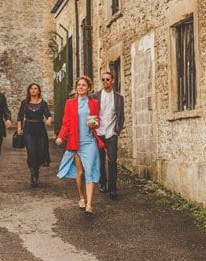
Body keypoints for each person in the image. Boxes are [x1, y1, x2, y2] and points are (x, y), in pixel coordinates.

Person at [55, 76, 104, 216]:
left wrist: (94, 123)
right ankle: (81, 197)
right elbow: (66, 122)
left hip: (90, 142)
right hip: (76, 142)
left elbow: (97, 121)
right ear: (76, 88)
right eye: (79, 85)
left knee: (90, 171)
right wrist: (60, 136)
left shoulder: (94, 103)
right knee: (80, 172)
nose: (81, 87)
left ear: (88, 88)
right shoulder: (70, 103)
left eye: (84, 85)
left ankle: (89, 204)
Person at [92, 72, 125, 200]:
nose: (105, 81)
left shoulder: (118, 98)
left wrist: (118, 130)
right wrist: (92, 128)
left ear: (112, 81)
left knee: (112, 161)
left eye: (107, 79)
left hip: (111, 133)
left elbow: (121, 116)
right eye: (103, 79)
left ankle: (112, 189)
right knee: (100, 161)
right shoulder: (95, 96)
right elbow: (90, 112)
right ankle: (103, 183)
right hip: (99, 133)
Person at [16, 83, 53, 187]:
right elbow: (20, 116)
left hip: (40, 129)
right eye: (31, 88)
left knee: (39, 152)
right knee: (31, 152)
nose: (33, 90)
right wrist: (19, 128)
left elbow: (48, 115)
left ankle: (36, 171)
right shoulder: (25, 103)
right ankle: (33, 175)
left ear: (38, 91)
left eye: (35, 88)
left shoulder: (43, 103)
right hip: (28, 129)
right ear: (29, 91)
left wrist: (49, 120)